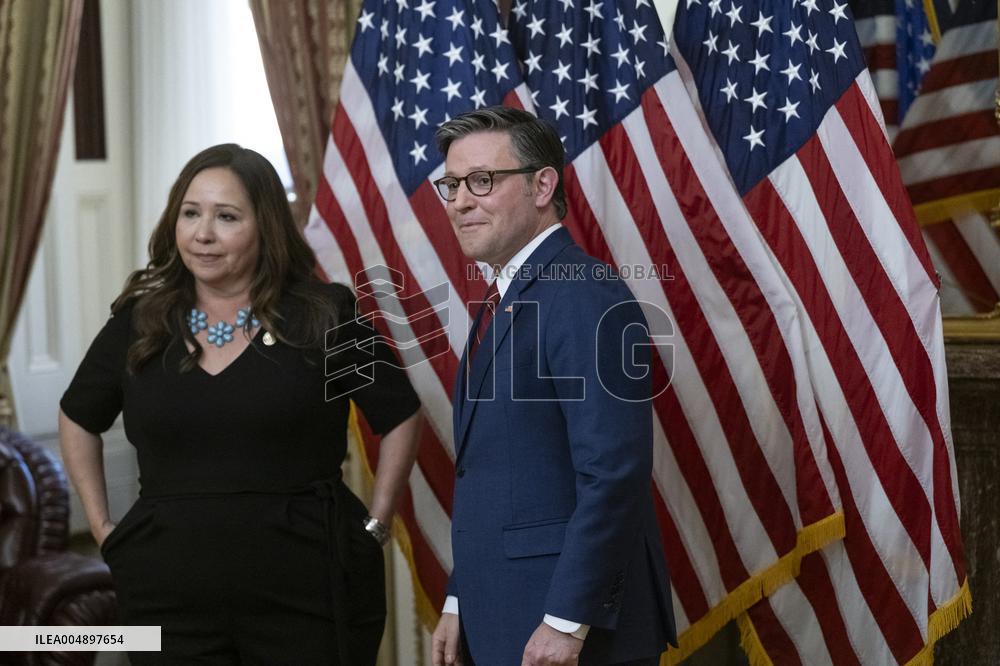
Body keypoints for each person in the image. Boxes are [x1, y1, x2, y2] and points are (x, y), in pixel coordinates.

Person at [59, 143, 422, 664]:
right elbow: (77, 418)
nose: (202, 233)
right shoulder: (141, 321)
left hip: (310, 591)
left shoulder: (324, 315)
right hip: (168, 596)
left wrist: (377, 526)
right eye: (190, 213)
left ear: (266, 227)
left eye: (226, 217)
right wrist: (103, 528)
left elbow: (400, 415)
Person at [429, 107, 677, 666]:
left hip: (570, 630)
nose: (460, 201)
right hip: (503, 613)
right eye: (451, 184)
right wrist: (459, 592)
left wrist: (568, 620)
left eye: (482, 181)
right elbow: (496, 475)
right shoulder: (509, 296)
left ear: (543, 184)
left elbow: (614, 471)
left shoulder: (584, 294)